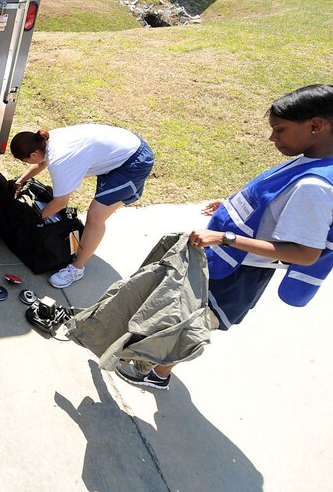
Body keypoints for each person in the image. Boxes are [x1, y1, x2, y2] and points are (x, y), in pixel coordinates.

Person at [117, 84, 333, 390]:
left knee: (190, 324)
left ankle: (154, 370)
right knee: (181, 314)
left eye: (280, 130)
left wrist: (226, 238)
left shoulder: (317, 186)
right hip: (226, 260)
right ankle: (157, 367)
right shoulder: (314, 157)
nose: (273, 138)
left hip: (237, 273)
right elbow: (276, 204)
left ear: (315, 126)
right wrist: (232, 207)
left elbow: (304, 253)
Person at [10, 124, 154, 288]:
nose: (26, 163)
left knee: (95, 217)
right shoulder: (46, 140)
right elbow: (41, 163)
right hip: (124, 146)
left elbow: (61, 202)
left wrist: (33, 219)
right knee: (98, 212)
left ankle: (76, 269)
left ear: (34, 153)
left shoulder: (60, 160)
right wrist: (21, 181)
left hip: (132, 162)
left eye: (25, 161)